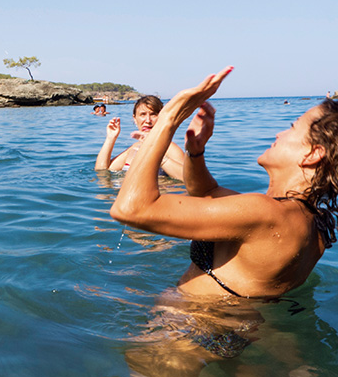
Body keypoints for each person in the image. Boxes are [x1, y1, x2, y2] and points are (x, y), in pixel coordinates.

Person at [111, 67, 338, 300]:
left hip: (193, 330)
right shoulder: (309, 222)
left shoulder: (268, 212)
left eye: (292, 127)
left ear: (313, 154)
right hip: (222, 331)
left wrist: (170, 118)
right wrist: (195, 153)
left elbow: (130, 208)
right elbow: (205, 192)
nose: (279, 133)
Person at [95, 95, 184, 179]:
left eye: (153, 114)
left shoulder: (169, 148)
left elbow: (189, 179)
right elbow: (101, 171)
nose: (148, 120)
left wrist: (157, 153)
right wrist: (111, 138)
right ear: (135, 119)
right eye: (143, 114)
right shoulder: (133, 149)